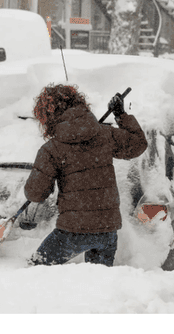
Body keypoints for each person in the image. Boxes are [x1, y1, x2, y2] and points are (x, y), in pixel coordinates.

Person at [24, 83, 147, 267]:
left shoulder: (51, 149)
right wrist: (120, 114)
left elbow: (35, 194)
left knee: (35, 271)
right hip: (107, 230)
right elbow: (138, 144)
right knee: (99, 283)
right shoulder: (105, 135)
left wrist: (46, 178)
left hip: (73, 231)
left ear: (47, 116)